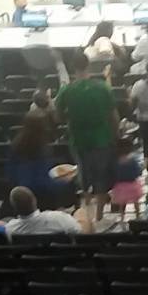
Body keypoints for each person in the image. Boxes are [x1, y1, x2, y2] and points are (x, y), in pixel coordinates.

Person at [59, 57, 119, 194]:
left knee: (84, 173)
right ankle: (100, 209)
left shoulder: (66, 91)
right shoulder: (103, 87)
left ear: (73, 67)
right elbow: (114, 116)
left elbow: (58, 117)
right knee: (102, 176)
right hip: (102, 138)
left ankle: (87, 205)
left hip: (78, 139)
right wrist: (116, 135)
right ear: (88, 65)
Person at [4, 186, 79, 240]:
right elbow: (79, 231)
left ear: (14, 207)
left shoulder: (10, 229)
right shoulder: (59, 218)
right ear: (34, 200)